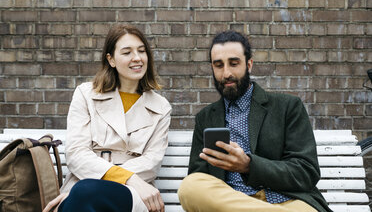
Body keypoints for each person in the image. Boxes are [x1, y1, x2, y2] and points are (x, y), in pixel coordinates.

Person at [177, 30, 331, 212]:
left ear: (249, 65)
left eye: (234, 64)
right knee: (190, 186)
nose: (226, 73)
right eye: (218, 65)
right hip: (231, 202)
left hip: (288, 201)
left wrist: (249, 166)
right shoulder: (206, 118)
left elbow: (306, 172)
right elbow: (199, 179)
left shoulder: (287, 106)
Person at [43, 24, 172, 212]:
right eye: (127, 52)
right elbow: (76, 153)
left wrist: (127, 180)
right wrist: (125, 176)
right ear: (111, 60)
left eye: (141, 51)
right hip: (84, 182)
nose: (137, 58)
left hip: (133, 191)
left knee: (84, 194)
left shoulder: (160, 107)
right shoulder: (86, 94)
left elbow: (151, 161)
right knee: (83, 193)